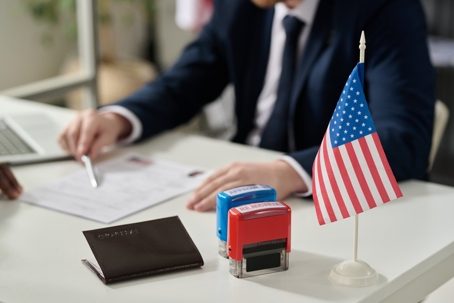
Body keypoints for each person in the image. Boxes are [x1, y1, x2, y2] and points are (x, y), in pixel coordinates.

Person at [58, 0, 436, 212]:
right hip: (237, 192)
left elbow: (404, 138)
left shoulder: (385, 8)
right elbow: (184, 82)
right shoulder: (241, 7)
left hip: (328, 205)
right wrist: (117, 119)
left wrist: (287, 171)